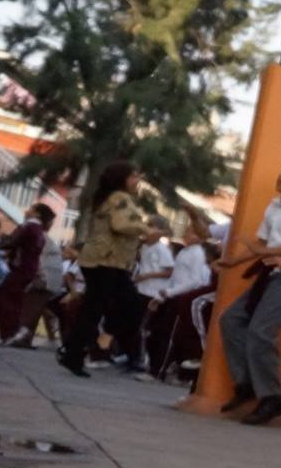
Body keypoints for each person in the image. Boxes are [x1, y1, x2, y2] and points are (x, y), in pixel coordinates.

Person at [216, 158, 281, 422]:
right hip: (269, 275)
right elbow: (262, 242)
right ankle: (247, 385)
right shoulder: (275, 205)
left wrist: (262, 251)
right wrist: (233, 261)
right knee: (231, 320)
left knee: (261, 331)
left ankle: (271, 398)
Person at [60, 163, 155, 378]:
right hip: (107, 261)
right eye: (134, 176)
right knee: (132, 304)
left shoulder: (107, 197)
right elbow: (121, 225)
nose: (137, 180)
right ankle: (106, 336)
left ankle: (73, 353)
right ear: (123, 178)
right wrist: (146, 229)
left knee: (92, 309)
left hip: (101, 260)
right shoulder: (120, 198)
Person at [142, 217, 216, 381]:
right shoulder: (184, 251)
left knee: (168, 336)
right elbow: (176, 277)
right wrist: (163, 295)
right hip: (171, 296)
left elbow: (195, 281)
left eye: (191, 232)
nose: (187, 234)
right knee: (156, 332)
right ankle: (154, 366)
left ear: (199, 237)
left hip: (180, 298)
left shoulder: (197, 254)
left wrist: (171, 292)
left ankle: (158, 370)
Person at [0, 203, 52, 345]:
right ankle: (13, 332)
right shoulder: (37, 229)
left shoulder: (30, 227)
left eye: (31, 208)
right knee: (13, 298)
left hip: (22, 269)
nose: (27, 210)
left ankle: (14, 331)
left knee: (4, 297)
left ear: (37, 214)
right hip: (26, 269)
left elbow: (13, 242)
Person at [122, 217, 175, 370]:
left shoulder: (161, 249)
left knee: (142, 325)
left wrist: (146, 276)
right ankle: (131, 355)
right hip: (141, 289)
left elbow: (169, 271)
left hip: (153, 291)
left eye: (152, 226)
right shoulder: (144, 247)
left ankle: (140, 359)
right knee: (132, 323)